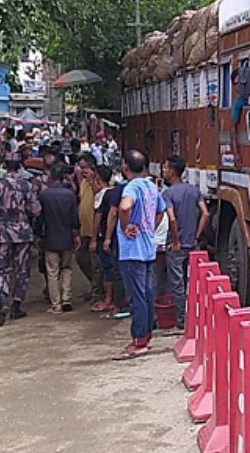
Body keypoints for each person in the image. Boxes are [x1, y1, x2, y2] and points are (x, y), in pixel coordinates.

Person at [113, 149, 172, 360]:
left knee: (136, 296)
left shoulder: (133, 186)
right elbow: (160, 211)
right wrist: (150, 228)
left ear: (125, 167)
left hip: (132, 250)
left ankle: (138, 340)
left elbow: (124, 206)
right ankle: (145, 336)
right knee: (146, 294)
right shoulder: (150, 186)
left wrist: (125, 225)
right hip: (148, 247)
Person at [0, 153, 41, 326]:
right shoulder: (27, 186)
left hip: (4, 230)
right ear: (19, 166)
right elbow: (36, 210)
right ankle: (16, 305)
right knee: (22, 269)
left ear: (5, 165)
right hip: (24, 232)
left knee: (0, 268)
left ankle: (3, 300)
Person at [160, 155, 209, 331]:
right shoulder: (194, 190)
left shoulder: (168, 193)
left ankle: (181, 321)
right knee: (193, 283)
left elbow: (171, 218)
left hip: (177, 245)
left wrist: (175, 240)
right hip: (192, 244)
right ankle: (196, 317)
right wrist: (196, 235)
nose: (163, 171)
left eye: (165, 168)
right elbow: (205, 213)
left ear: (172, 172)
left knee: (177, 284)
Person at [39, 162, 80, 313]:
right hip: (67, 236)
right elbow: (75, 218)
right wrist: (76, 234)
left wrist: (39, 235)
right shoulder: (70, 195)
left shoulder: (44, 195)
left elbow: (40, 219)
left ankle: (56, 304)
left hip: (50, 237)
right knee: (67, 268)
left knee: (52, 271)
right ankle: (66, 298)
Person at [93, 165, 127, 317]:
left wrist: (102, 238)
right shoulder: (118, 191)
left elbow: (105, 216)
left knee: (112, 270)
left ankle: (113, 302)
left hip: (110, 237)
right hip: (120, 237)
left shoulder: (106, 195)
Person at [77, 154, 106, 304]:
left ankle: (98, 294)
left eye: (84, 167)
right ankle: (95, 286)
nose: (82, 171)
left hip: (96, 230)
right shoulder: (82, 182)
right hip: (84, 229)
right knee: (81, 258)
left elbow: (99, 196)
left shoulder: (99, 181)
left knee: (96, 264)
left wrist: (92, 179)